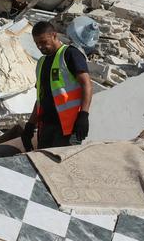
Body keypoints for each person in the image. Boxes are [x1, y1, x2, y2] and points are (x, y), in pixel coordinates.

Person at [23, 21, 93, 149]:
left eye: (43, 42)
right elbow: (41, 97)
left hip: (69, 127)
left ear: (54, 36)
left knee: (63, 165)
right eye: (37, 43)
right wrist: (30, 124)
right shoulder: (41, 63)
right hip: (46, 127)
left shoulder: (70, 54)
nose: (40, 47)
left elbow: (86, 84)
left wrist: (84, 115)